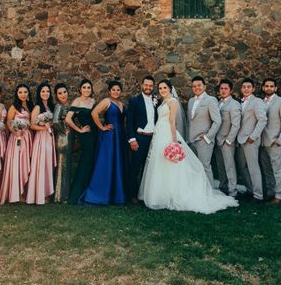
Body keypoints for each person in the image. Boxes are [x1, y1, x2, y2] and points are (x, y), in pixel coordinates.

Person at [139, 80, 238, 214]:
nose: (162, 90)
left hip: (168, 134)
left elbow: (172, 122)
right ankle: (163, 193)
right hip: (159, 135)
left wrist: (174, 141)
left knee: (177, 165)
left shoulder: (173, 102)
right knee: (161, 164)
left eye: (165, 88)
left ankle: (201, 191)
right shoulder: (163, 102)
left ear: (170, 88)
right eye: (160, 88)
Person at [80, 80, 127, 205]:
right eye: (113, 90)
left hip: (120, 135)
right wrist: (102, 127)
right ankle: (99, 194)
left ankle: (116, 195)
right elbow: (94, 113)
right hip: (110, 136)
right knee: (106, 164)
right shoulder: (107, 101)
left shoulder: (121, 104)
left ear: (121, 92)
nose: (116, 92)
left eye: (118, 90)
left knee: (117, 163)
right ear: (109, 91)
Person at [0, 83, 34, 204]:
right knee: (17, 163)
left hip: (28, 137)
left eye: (25, 92)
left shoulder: (30, 106)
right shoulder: (14, 107)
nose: (23, 94)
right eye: (20, 92)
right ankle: (15, 193)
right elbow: (8, 123)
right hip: (17, 137)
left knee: (26, 162)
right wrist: (15, 132)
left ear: (28, 93)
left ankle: (25, 191)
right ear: (17, 94)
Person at [126, 75, 158, 203]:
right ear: (142, 85)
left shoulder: (157, 101)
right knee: (135, 167)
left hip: (153, 139)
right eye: (146, 85)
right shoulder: (134, 101)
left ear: (153, 87)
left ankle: (145, 194)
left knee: (149, 168)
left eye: (150, 85)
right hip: (139, 138)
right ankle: (132, 195)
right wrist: (132, 139)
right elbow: (129, 122)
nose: (148, 87)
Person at [66, 79, 98, 203]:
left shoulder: (93, 101)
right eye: (84, 87)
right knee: (85, 162)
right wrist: (79, 130)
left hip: (95, 134)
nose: (86, 90)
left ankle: (89, 191)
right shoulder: (77, 101)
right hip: (86, 136)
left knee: (92, 162)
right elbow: (68, 119)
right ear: (80, 89)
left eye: (88, 87)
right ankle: (76, 195)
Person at [260, 78, 281, 204]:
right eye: (266, 86)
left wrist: (280, 139)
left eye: (271, 86)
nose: (269, 88)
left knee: (278, 170)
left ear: (275, 88)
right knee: (267, 169)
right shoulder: (260, 102)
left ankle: (280, 195)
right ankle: (271, 192)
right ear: (263, 88)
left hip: (275, 141)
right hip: (262, 142)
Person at [235, 78, 267, 202]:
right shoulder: (240, 102)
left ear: (253, 89)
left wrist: (253, 137)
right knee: (242, 167)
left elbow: (262, 120)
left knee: (253, 167)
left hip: (250, 140)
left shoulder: (257, 102)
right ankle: (250, 190)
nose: (246, 89)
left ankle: (258, 195)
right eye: (244, 87)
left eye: (249, 87)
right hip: (240, 139)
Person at [186, 76, 221, 185]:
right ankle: (199, 191)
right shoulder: (191, 101)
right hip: (191, 141)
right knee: (194, 168)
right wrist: (188, 139)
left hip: (203, 141)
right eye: (194, 86)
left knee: (205, 167)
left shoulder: (211, 100)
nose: (196, 88)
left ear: (204, 87)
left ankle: (210, 193)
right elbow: (189, 122)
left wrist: (207, 137)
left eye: (199, 85)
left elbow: (217, 121)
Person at [27, 81, 57, 205]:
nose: (45, 93)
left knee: (48, 164)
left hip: (50, 137)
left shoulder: (51, 107)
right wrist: (44, 128)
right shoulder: (37, 107)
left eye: (47, 91)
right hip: (41, 138)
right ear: (39, 93)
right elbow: (32, 125)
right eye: (43, 91)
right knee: (41, 164)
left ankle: (47, 192)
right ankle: (38, 194)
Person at [214, 79, 241, 197]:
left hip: (227, 141)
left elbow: (236, 124)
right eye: (221, 88)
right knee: (221, 166)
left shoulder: (234, 104)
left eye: (226, 88)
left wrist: (229, 140)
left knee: (230, 166)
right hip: (217, 140)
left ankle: (233, 191)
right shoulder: (217, 103)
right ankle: (223, 187)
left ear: (230, 90)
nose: (223, 90)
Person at [52, 83, 73, 203]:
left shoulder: (67, 105)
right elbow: (55, 121)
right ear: (56, 95)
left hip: (66, 137)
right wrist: (64, 131)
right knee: (62, 166)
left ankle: (63, 194)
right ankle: (60, 196)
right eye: (60, 93)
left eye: (64, 92)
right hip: (62, 138)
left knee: (64, 165)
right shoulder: (59, 106)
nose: (63, 95)